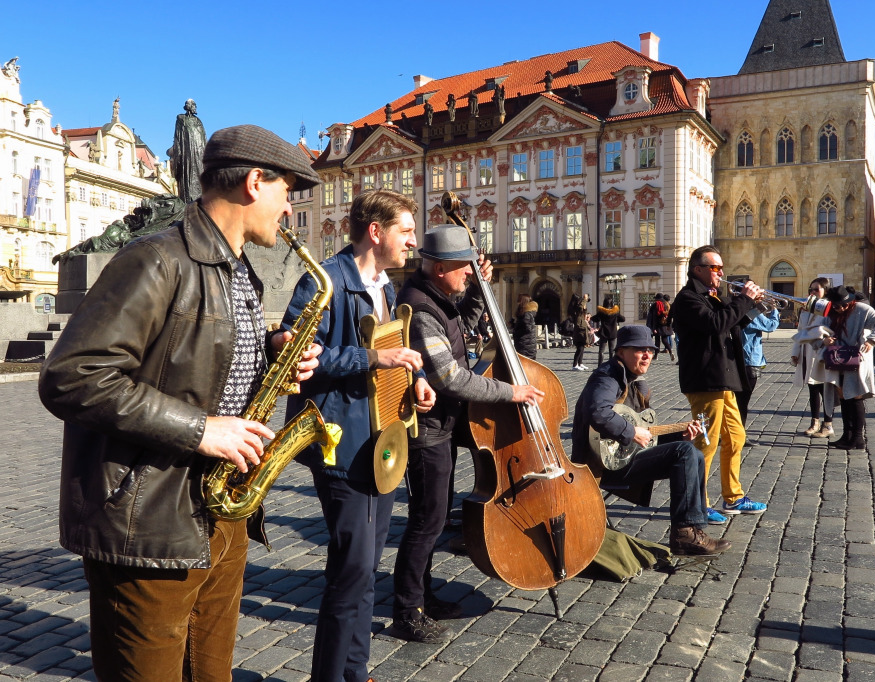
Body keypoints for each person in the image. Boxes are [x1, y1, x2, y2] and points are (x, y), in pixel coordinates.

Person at [38, 124, 323, 681]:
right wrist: (201, 430)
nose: (289, 211)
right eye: (287, 192)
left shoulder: (237, 269)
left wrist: (269, 359)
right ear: (254, 182)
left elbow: (191, 363)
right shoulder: (157, 258)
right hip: (148, 522)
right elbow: (73, 375)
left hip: (221, 511)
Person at [281, 189, 436, 682]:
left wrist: (415, 383)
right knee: (350, 573)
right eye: (406, 231)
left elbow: (390, 355)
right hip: (340, 445)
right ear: (377, 232)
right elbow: (301, 360)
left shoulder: (384, 286)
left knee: (368, 568)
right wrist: (373, 358)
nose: (413, 241)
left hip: (381, 443)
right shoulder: (324, 279)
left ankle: (356, 672)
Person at [392, 225, 545, 643]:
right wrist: (509, 391)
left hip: (443, 424)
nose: (468, 274)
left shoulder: (438, 299)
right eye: (464, 269)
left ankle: (423, 596)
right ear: (440, 267)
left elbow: (464, 328)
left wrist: (480, 290)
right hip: (427, 431)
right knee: (427, 521)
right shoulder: (421, 310)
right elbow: (451, 378)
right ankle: (407, 610)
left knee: (433, 517)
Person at [570, 325, 731, 556]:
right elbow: (598, 412)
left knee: (691, 452)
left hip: (624, 456)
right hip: (600, 464)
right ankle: (685, 533)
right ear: (621, 352)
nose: (647, 355)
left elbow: (646, 431)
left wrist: (680, 435)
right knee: (685, 454)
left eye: (650, 350)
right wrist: (630, 432)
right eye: (639, 350)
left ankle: (691, 529)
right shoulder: (607, 377)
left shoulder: (637, 383)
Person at [670, 245, 767, 523]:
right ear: (698, 269)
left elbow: (732, 326)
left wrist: (755, 305)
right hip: (704, 380)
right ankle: (699, 503)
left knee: (736, 437)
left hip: (724, 378)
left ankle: (733, 497)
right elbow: (714, 324)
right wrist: (743, 301)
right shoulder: (688, 299)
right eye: (715, 267)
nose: (721, 272)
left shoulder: (713, 297)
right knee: (706, 443)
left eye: (721, 267)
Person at [820, 286, 875, 449]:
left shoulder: (861, 308)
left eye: (844, 304)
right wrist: (825, 340)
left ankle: (858, 438)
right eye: (837, 306)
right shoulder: (830, 311)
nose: (841, 308)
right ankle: (847, 435)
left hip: (856, 357)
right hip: (837, 357)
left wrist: (872, 340)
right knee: (843, 396)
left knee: (856, 396)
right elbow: (822, 331)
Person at [791, 278, 836, 439]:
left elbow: (830, 330)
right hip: (808, 352)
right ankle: (814, 422)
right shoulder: (806, 309)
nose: (812, 292)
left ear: (825, 290)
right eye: (811, 289)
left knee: (826, 390)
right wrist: (795, 352)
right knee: (812, 389)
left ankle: (828, 424)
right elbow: (801, 330)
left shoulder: (830, 308)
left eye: (816, 289)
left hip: (823, 353)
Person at [737, 302, 780, 424]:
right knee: (742, 402)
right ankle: (740, 434)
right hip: (750, 360)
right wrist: (774, 309)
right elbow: (770, 326)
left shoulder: (735, 309)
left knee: (737, 401)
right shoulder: (751, 312)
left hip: (737, 360)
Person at [593, 294, 625, 365]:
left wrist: (599, 317)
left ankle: (599, 366)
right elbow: (623, 319)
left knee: (601, 350)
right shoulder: (615, 312)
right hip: (612, 333)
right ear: (611, 303)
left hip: (603, 333)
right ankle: (611, 366)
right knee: (611, 351)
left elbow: (594, 319)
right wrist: (616, 318)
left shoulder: (601, 312)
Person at [512, 293, 538, 360]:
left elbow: (527, 328)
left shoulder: (526, 314)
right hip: (525, 344)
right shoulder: (526, 313)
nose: (517, 302)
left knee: (524, 362)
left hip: (525, 345)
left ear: (523, 301)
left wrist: (516, 332)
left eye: (519, 300)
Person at [569, 292, 591, 370]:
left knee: (582, 347)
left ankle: (580, 363)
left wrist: (585, 302)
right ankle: (575, 365)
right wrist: (584, 300)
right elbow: (580, 307)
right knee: (580, 347)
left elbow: (583, 310)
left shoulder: (579, 311)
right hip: (579, 330)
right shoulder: (576, 310)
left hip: (582, 329)